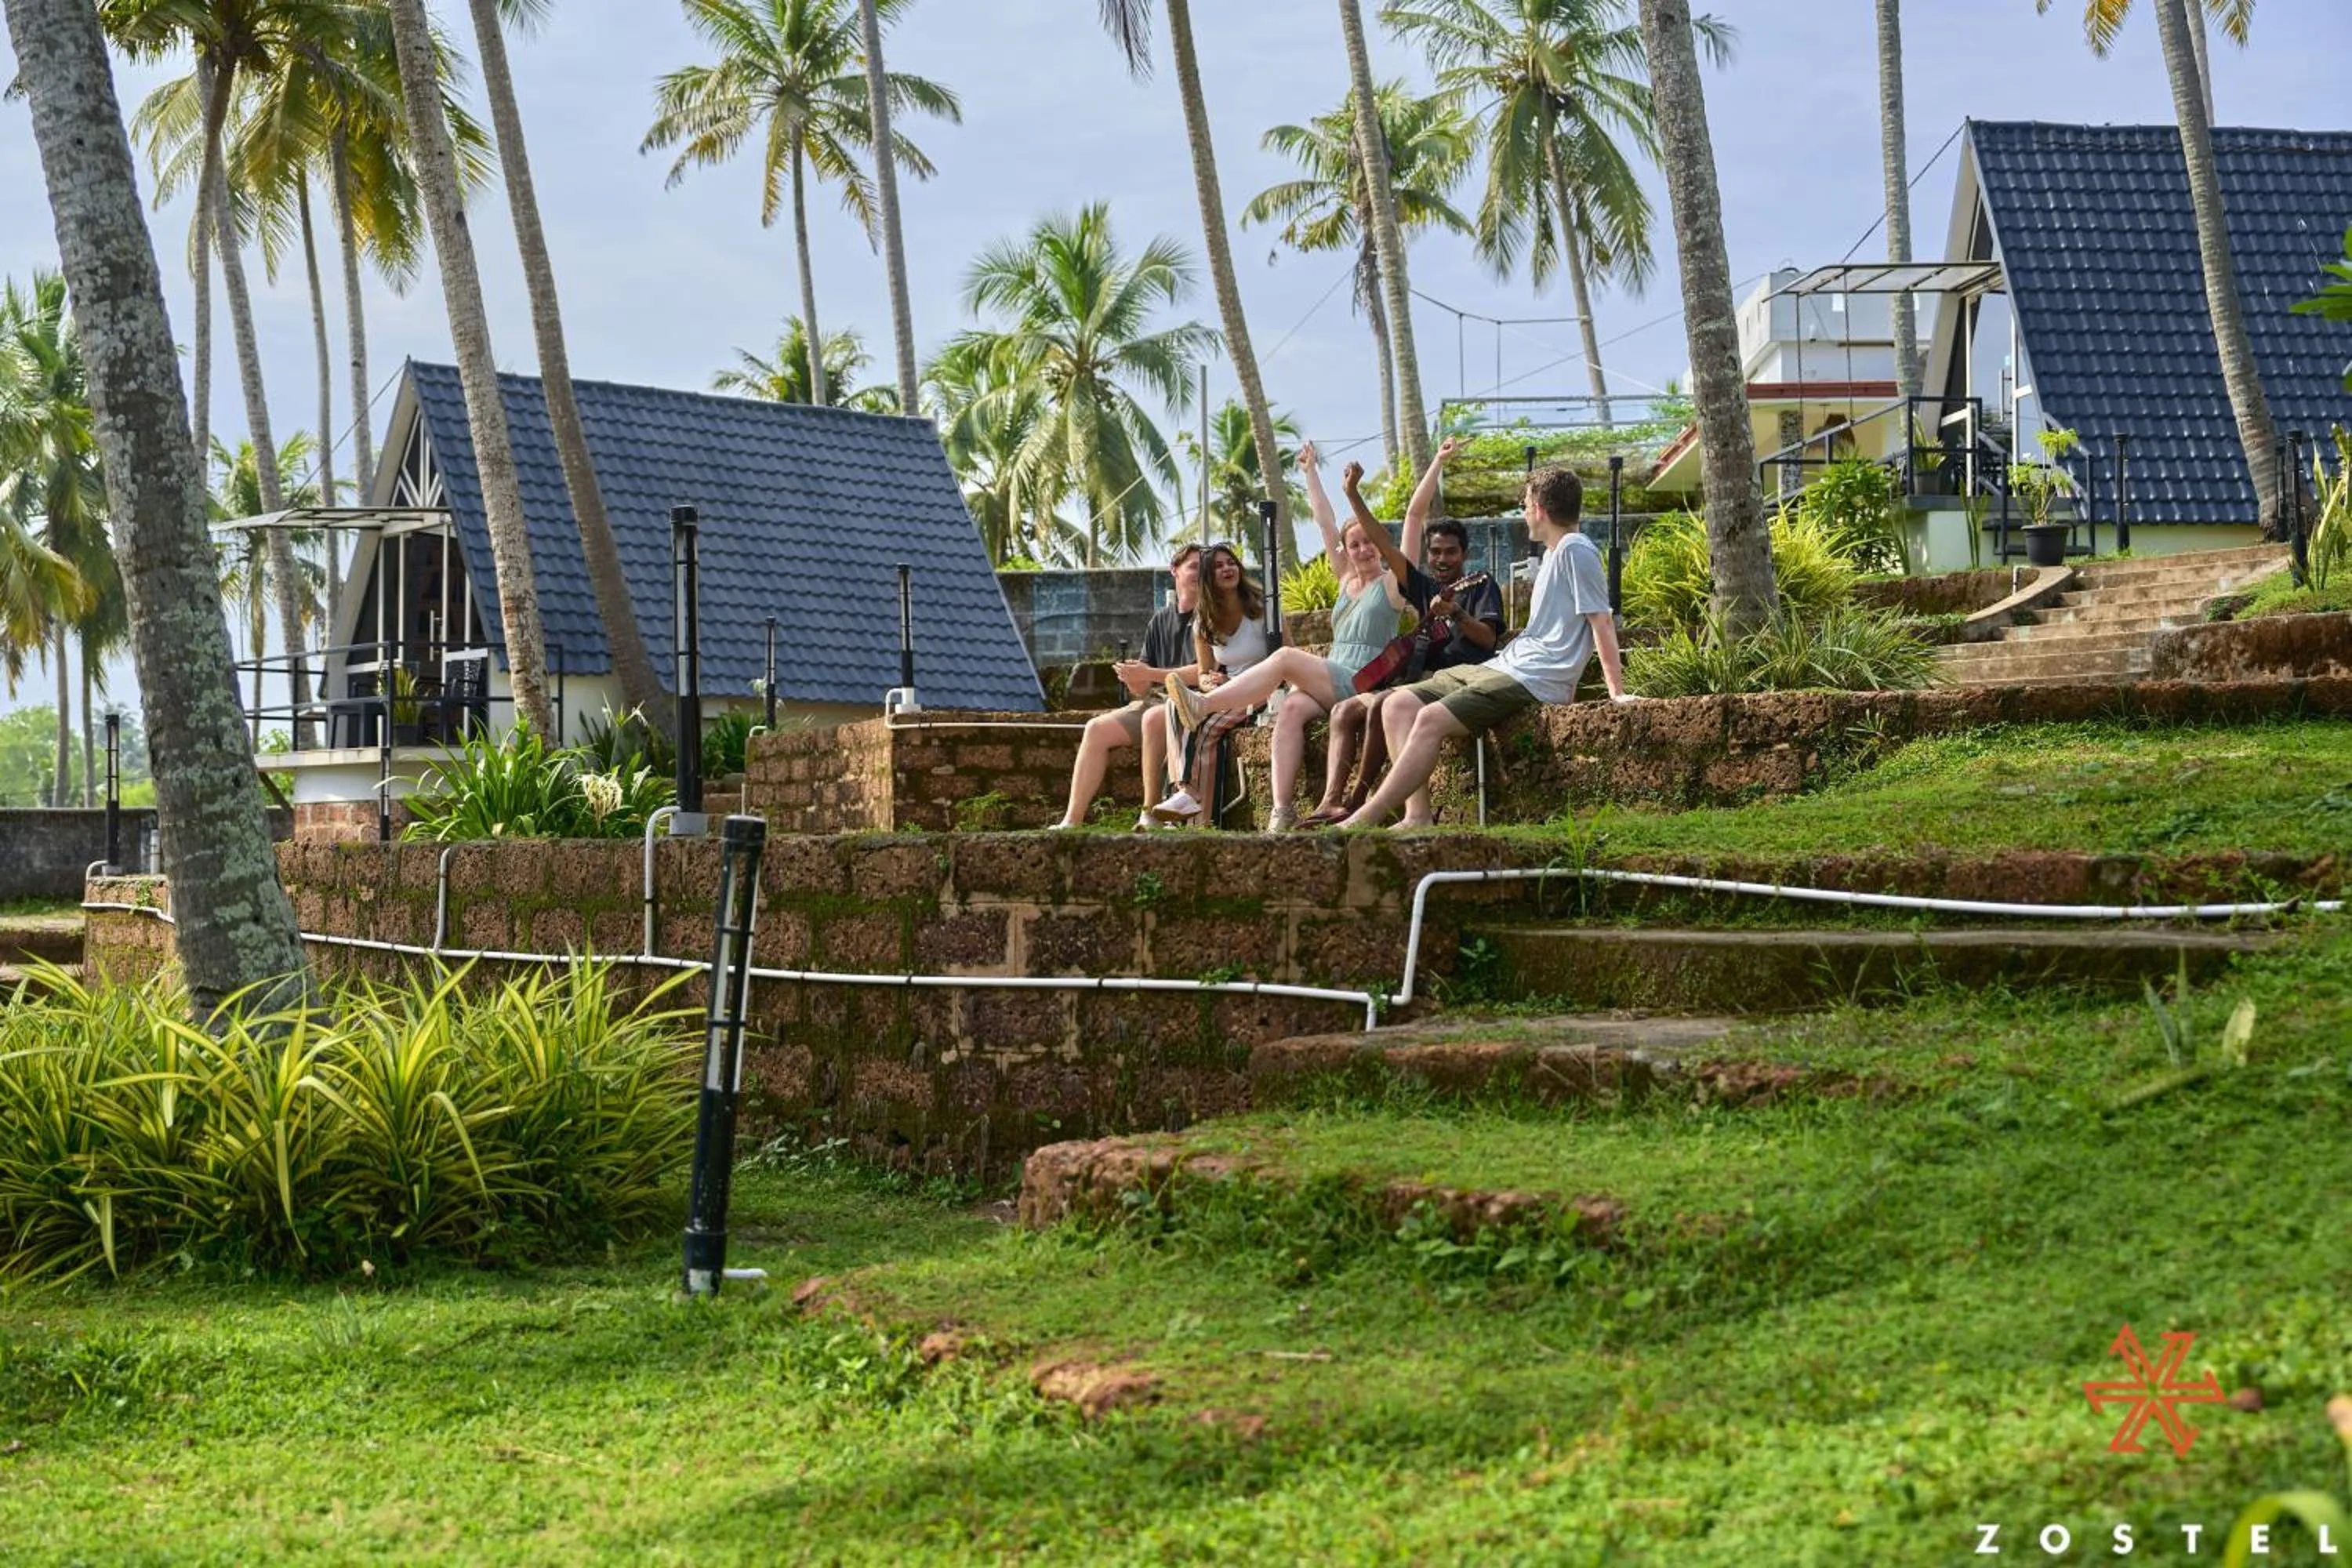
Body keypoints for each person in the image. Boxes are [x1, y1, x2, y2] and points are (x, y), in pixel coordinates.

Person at [1339, 466, 1634, 830]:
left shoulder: (1576, 549)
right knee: (1397, 703)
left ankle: (1364, 819)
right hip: (1503, 666)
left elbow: (1600, 620)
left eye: (1525, 504)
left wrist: (1616, 693)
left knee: (1429, 719)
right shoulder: (1556, 553)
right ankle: (1417, 817)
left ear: (1540, 508)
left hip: (1533, 678)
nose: (1524, 511)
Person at [1156, 442, 1414, 831]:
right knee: (1291, 709)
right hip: (1334, 677)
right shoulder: (1346, 582)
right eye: (1354, 544)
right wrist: (1310, 471)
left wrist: (1435, 467)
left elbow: (1413, 522)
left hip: (1363, 679)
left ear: (1379, 545)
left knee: (1284, 660)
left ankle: (1204, 706)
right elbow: (1326, 525)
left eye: (1369, 542)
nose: (1362, 550)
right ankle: (1282, 810)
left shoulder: (1392, 585)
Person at [1300, 473, 1501, 826]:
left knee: (1380, 702)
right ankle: (1329, 803)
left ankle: (1359, 802)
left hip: (1461, 680)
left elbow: (1487, 639)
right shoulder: (1421, 586)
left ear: (1465, 554)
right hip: (1420, 680)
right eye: (1435, 552)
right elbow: (1384, 542)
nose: (1442, 559)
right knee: (1344, 712)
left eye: (1451, 552)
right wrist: (1352, 493)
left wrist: (1456, 612)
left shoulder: (1481, 584)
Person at [1051, 543, 1200, 829]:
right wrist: (1135, 678)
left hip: (1192, 700)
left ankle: (1151, 812)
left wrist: (1150, 673)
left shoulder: (1210, 615)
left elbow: (1202, 672)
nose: (1200, 573)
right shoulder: (1160, 620)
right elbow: (1143, 690)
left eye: (1204, 567)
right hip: (1154, 701)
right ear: (1175, 572)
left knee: (1153, 718)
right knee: (1096, 728)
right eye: (1193, 566)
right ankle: (1072, 820)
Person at [1149, 542, 1271, 825]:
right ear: (1207, 577)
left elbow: (1287, 653)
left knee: (1205, 729)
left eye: (1230, 563)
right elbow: (1204, 674)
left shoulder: (1263, 607)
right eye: (1218, 566)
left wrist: (1234, 683)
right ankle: (1192, 806)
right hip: (1227, 693)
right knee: (1173, 706)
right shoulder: (1204, 621)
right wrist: (1211, 685)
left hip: (1263, 690)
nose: (1227, 569)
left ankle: (1186, 796)